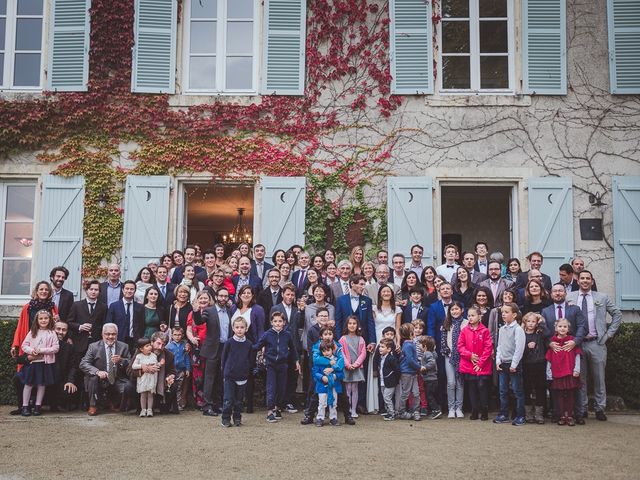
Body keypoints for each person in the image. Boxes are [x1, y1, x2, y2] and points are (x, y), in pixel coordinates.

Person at [567, 270, 621, 421]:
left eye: (587, 279)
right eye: (582, 278)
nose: (584, 281)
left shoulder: (601, 297)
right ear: (578, 281)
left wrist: (609, 334)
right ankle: (582, 408)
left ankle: (600, 408)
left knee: (599, 378)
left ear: (592, 281)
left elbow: (617, 314)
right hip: (577, 344)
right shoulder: (570, 297)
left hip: (596, 343)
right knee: (581, 378)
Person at [253, 311, 301, 423]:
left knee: (281, 388)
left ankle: (277, 408)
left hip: (283, 365)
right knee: (271, 387)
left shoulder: (287, 335)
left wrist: (297, 361)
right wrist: (246, 346)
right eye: (275, 321)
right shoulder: (267, 334)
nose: (278, 323)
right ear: (271, 322)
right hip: (270, 365)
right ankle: (270, 411)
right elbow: (257, 346)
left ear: (284, 323)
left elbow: (293, 349)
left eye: (280, 321)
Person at [79, 323, 133, 416]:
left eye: (113, 334)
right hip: (100, 378)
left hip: (116, 378)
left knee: (128, 386)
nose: (110, 337)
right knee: (93, 378)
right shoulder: (94, 346)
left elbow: (130, 363)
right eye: (107, 334)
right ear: (102, 334)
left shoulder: (124, 346)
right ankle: (93, 405)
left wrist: (121, 360)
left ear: (117, 334)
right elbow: (83, 363)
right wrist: (97, 371)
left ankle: (115, 403)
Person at [194, 287, 232, 416]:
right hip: (212, 349)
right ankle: (207, 406)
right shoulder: (209, 311)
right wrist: (196, 311)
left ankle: (217, 404)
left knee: (220, 377)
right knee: (209, 378)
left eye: (225, 296)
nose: (223, 298)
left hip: (225, 348)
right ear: (216, 297)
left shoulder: (230, 311)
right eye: (221, 296)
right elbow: (199, 321)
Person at [232, 285, 266, 413]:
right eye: (244, 293)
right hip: (235, 346)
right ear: (239, 295)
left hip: (250, 347)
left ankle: (249, 405)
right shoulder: (234, 308)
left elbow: (261, 328)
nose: (246, 295)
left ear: (252, 296)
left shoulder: (257, 309)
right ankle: (237, 402)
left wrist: (260, 346)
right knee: (235, 373)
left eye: (249, 293)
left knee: (249, 375)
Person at [19, 310, 59, 416]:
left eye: (46, 318)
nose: (43, 320)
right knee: (29, 384)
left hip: (45, 363)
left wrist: (42, 350)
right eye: (40, 318)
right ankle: (25, 406)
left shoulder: (52, 332)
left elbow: (55, 348)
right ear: (36, 320)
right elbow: (24, 345)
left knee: (42, 384)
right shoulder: (32, 332)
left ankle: (37, 406)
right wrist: (32, 351)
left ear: (50, 319)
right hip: (33, 363)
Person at [457, 307, 493, 421]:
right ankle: (474, 409)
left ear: (479, 316)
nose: (470, 318)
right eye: (469, 316)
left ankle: (484, 409)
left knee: (482, 386)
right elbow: (460, 346)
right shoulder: (464, 330)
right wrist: (469, 355)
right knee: (471, 387)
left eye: (473, 315)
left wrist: (481, 362)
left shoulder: (485, 331)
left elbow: (488, 348)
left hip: (483, 365)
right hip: (468, 364)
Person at [493, 303, 526, 426]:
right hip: (503, 364)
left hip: (513, 365)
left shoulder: (518, 329)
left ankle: (520, 415)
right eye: (502, 312)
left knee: (517, 391)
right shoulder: (502, 329)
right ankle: (503, 414)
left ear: (514, 314)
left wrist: (514, 364)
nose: (503, 314)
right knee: (503, 390)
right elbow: (499, 346)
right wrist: (498, 361)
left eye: (506, 312)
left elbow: (519, 348)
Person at [546, 318, 582, 426]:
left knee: (570, 395)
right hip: (557, 373)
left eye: (565, 326)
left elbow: (577, 356)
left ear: (568, 329)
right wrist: (549, 373)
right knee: (559, 395)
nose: (562, 328)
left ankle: (570, 416)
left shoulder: (572, 341)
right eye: (560, 326)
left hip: (570, 372)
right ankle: (561, 415)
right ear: (556, 328)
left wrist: (577, 369)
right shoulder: (552, 343)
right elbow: (549, 359)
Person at [220, 317, 253, 427]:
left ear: (246, 329)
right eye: (237, 327)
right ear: (233, 328)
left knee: (239, 401)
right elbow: (224, 358)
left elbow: (250, 359)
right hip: (229, 375)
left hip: (242, 376)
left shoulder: (248, 344)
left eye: (242, 327)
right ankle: (225, 418)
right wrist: (225, 372)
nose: (239, 330)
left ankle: (237, 418)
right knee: (228, 399)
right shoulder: (229, 342)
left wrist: (247, 371)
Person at [440, 301, 468, 418]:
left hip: (463, 357)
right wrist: (448, 352)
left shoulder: (467, 323)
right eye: (452, 310)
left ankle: (459, 408)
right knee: (451, 383)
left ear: (462, 310)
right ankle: (451, 408)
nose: (454, 311)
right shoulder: (446, 324)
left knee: (460, 383)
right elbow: (443, 341)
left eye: (457, 309)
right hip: (449, 356)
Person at [67, 280, 107, 359]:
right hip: (79, 342)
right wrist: (79, 327)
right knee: (78, 367)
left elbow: (104, 323)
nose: (93, 292)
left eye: (96, 290)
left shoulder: (103, 307)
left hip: (96, 342)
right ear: (86, 290)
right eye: (91, 289)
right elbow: (69, 322)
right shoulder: (76, 305)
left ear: (99, 292)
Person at [186, 290, 212, 408]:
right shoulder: (192, 313)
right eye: (200, 298)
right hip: (197, 348)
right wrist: (191, 339)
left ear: (209, 300)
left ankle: (208, 398)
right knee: (197, 375)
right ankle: (198, 399)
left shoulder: (212, 312)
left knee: (209, 374)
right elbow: (188, 329)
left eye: (205, 298)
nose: (203, 301)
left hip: (210, 348)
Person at [521, 312, 547, 424]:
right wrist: (527, 347)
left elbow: (548, 333)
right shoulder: (522, 334)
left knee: (540, 388)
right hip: (526, 365)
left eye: (533, 321)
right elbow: (519, 351)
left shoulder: (539, 334)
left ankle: (539, 414)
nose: (531, 324)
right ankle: (528, 414)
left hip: (539, 364)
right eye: (528, 321)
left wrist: (541, 321)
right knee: (527, 388)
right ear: (525, 322)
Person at [338, 315, 366, 418]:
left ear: (357, 325)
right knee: (347, 388)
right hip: (347, 367)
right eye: (350, 323)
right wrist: (348, 364)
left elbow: (363, 353)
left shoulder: (361, 339)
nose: (352, 325)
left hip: (356, 367)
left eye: (354, 323)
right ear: (347, 325)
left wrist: (356, 364)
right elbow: (341, 353)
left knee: (355, 388)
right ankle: (348, 409)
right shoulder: (343, 339)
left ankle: (354, 410)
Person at [105, 280, 144, 352]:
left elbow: (142, 325)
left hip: (134, 341)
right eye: (127, 288)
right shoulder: (114, 306)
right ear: (123, 290)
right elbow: (109, 324)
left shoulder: (140, 307)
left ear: (135, 291)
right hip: (118, 341)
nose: (129, 291)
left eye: (132, 289)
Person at [312, 340, 344, 426]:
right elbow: (315, 372)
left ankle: (333, 418)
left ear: (332, 350)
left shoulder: (337, 360)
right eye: (324, 351)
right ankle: (320, 418)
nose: (326, 353)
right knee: (322, 402)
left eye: (328, 350)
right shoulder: (319, 360)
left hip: (334, 385)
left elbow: (341, 373)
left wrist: (334, 376)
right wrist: (322, 377)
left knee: (334, 402)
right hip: (322, 385)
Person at [49, 320, 78, 412]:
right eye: (58, 329)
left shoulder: (69, 347)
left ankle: (58, 405)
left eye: (64, 330)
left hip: (59, 380)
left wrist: (70, 381)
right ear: (53, 329)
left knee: (68, 390)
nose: (61, 332)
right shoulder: (44, 342)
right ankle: (24, 406)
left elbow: (74, 366)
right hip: (43, 378)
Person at [397, 323, 421, 421]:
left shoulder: (410, 344)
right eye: (414, 329)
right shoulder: (408, 345)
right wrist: (419, 367)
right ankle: (401, 411)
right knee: (406, 393)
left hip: (412, 372)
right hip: (406, 372)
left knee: (416, 393)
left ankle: (415, 411)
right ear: (411, 333)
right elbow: (410, 360)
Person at [165, 326, 191, 412]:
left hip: (181, 371)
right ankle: (169, 405)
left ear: (182, 335)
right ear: (172, 335)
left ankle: (178, 404)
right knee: (171, 387)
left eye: (179, 335)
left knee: (179, 388)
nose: (177, 337)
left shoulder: (184, 345)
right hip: (172, 371)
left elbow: (187, 357)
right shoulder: (168, 346)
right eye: (175, 335)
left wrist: (187, 369)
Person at [132, 337, 159, 417]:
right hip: (143, 378)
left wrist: (158, 365)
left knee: (150, 394)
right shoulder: (139, 357)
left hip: (151, 377)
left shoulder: (154, 356)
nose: (150, 347)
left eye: (150, 345)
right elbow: (134, 366)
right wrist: (142, 366)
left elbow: (156, 364)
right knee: (143, 394)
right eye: (147, 346)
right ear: (141, 349)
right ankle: (143, 409)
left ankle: (150, 409)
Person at [418, 335, 441, 419]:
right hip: (433, 379)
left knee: (429, 396)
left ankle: (436, 410)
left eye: (420, 344)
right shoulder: (432, 353)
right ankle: (436, 409)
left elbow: (432, 363)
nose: (419, 346)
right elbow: (434, 357)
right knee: (432, 395)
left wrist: (425, 367)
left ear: (425, 346)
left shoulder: (427, 353)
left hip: (429, 379)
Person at [376, 337, 400, 421]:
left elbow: (397, 370)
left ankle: (392, 413)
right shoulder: (381, 357)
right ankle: (389, 411)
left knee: (387, 397)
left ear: (389, 349)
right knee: (384, 397)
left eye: (382, 347)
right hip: (383, 381)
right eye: (380, 346)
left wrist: (394, 379)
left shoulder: (391, 359)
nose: (380, 348)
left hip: (390, 382)